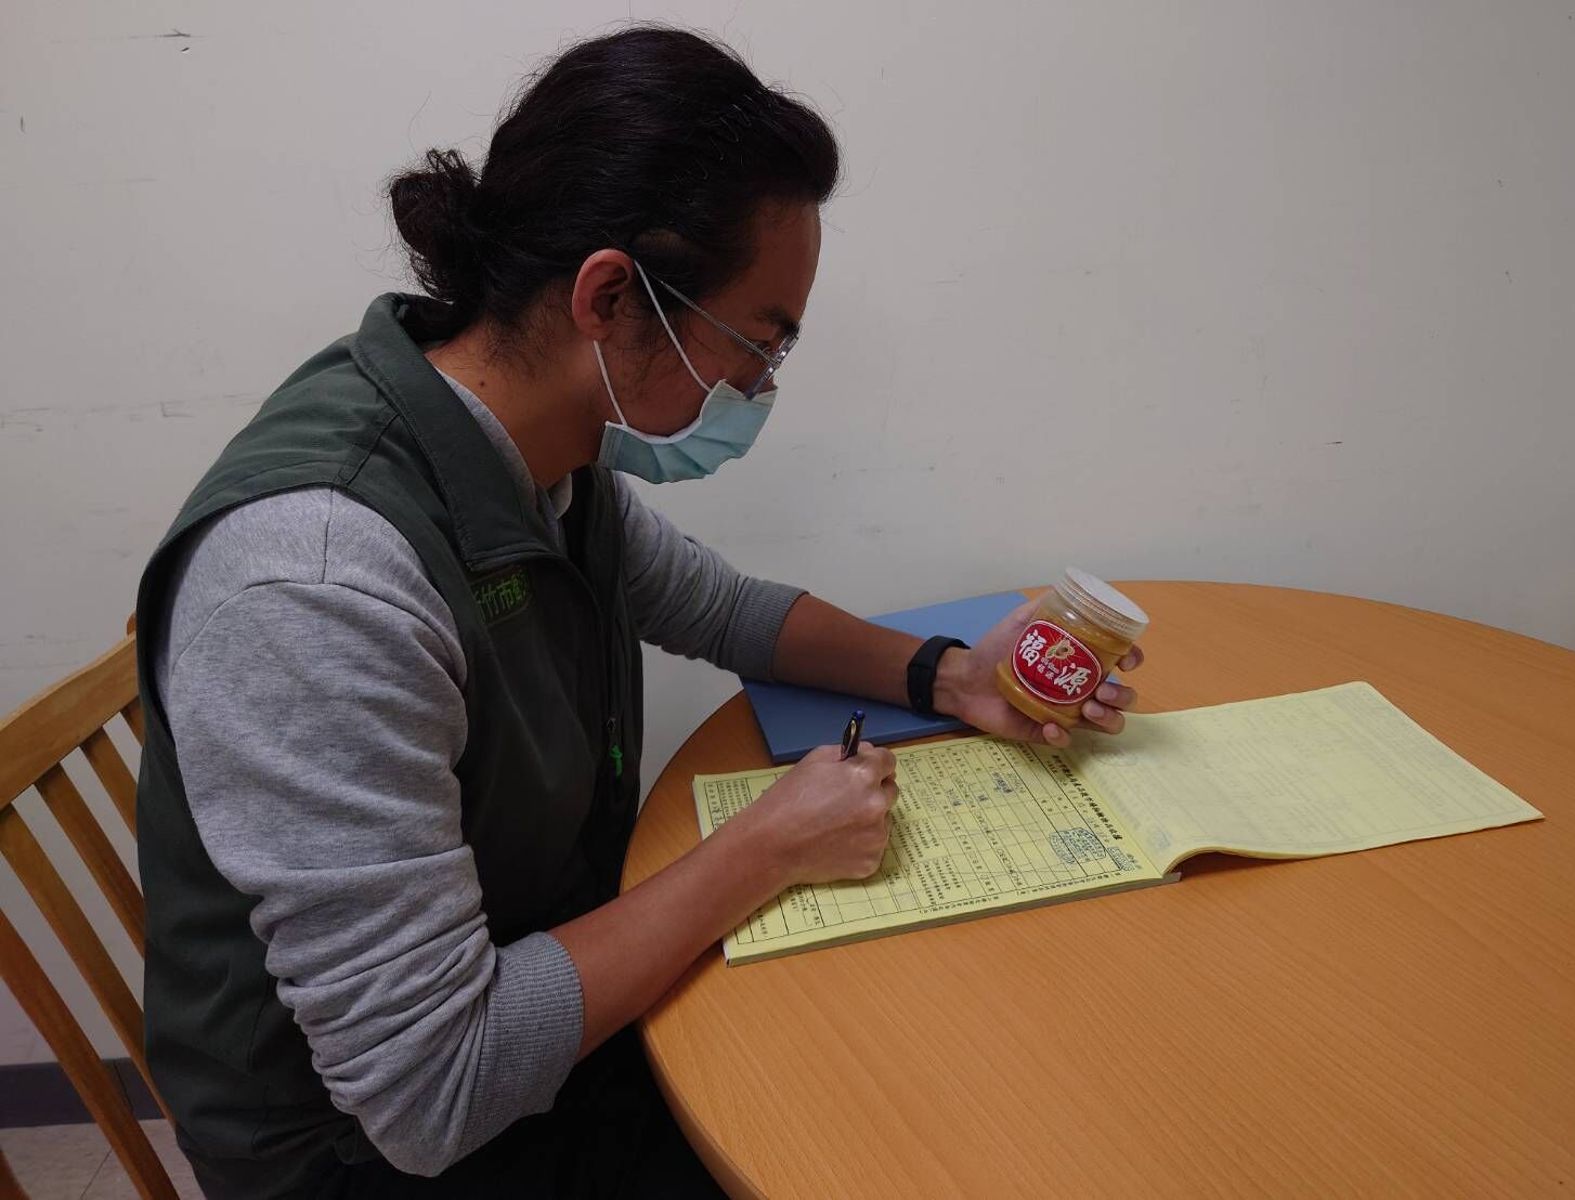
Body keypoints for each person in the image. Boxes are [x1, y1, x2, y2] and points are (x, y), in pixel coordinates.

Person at [133, 25, 1144, 1199]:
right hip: (358, 1147)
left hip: (521, 969)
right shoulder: (315, 586)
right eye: (758, 344)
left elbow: (725, 609)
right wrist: (764, 848)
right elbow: (430, 1090)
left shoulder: (528, 454)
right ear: (611, 298)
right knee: (854, 1126)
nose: (759, 388)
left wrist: (949, 673)